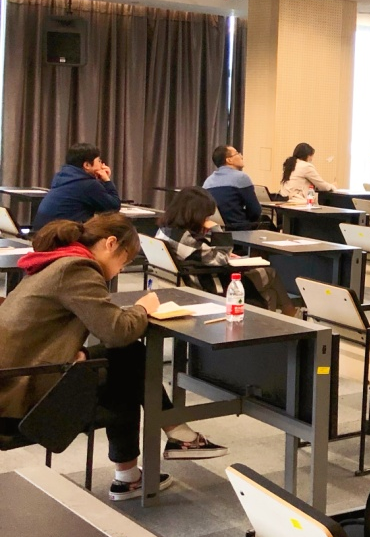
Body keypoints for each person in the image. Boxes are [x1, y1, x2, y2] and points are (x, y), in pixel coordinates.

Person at [0, 214, 226, 501]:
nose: (121, 269)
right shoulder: (77, 268)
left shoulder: (53, 262)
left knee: (124, 358)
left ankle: (142, 467)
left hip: (16, 378)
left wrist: (81, 351)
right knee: (126, 365)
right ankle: (165, 444)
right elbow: (118, 331)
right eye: (124, 260)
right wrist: (143, 308)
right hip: (20, 399)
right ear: (110, 244)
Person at [156, 187, 294, 315]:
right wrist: (216, 228)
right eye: (206, 216)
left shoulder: (166, 231)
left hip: (190, 281)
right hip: (211, 285)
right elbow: (222, 257)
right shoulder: (186, 239)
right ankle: (290, 313)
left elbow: (200, 253)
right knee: (270, 273)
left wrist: (214, 251)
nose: (207, 220)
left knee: (270, 294)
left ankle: (282, 318)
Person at [31, 143, 121, 231]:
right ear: (87, 165)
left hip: (43, 234)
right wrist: (107, 180)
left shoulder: (62, 178)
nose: (102, 165)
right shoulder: (88, 185)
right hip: (62, 237)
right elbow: (113, 208)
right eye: (99, 161)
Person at [202, 145, 266, 230]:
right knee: (267, 222)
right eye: (237, 153)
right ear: (229, 160)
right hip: (239, 229)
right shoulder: (241, 177)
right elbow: (255, 211)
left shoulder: (208, 181)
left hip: (217, 229)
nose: (241, 156)